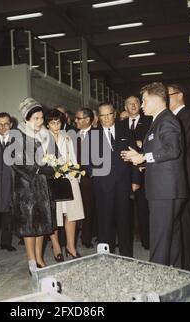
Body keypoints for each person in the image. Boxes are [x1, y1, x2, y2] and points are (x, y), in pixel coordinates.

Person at [121, 82, 188, 268]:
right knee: (171, 238)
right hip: (166, 189)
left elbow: (173, 150)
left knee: (159, 238)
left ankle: (155, 284)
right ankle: (173, 278)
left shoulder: (166, 120)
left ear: (157, 99)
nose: (141, 105)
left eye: (144, 101)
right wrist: (144, 163)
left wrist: (143, 156)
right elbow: (165, 156)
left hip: (164, 191)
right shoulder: (160, 120)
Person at [5, 97, 56, 271]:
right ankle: (31, 261)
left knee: (41, 225)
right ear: (26, 119)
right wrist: (37, 170)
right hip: (26, 188)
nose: (40, 122)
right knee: (29, 226)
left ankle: (40, 258)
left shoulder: (45, 135)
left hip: (42, 186)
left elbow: (52, 156)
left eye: (41, 118)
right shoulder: (18, 135)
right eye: (36, 118)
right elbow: (15, 162)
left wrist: (54, 166)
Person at [93, 103, 140, 257]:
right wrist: (97, 178)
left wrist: (136, 180)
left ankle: (127, 256)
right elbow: (87, 162)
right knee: (105, 223)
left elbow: (134, 157)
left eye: (109, 114)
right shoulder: (93, 135)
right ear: (98, 117)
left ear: (114, 114)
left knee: (125, 222)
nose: (106, 118)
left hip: (123, 184)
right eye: (102, 115)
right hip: (103, 186)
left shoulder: (125, 131)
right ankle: (107, 256)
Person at [168, 84, 190, 269]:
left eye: (168, 95)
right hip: (177, 177)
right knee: (178, 222)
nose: (166, 99)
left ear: (179, 95)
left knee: (186, 222)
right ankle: (179, 262)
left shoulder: (187, 116)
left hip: (186, 177)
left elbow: (180, 147)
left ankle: (186, 266)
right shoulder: (175, 117)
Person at [45, 109, 84, 260]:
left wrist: (75, 177)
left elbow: (73, 159)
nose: (56, 125)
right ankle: (56, 247)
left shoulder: (67, 137)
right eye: (52, 122)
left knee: (71, 214)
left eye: (58, 122)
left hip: (68, 178)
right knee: (54, 215)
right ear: (47, 124)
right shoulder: (42, 138)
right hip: (51, 180)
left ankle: (70, 247)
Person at [122, 96, 152, 250]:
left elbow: (153, 144)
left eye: (136, 103)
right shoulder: (120, 124)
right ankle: (125, 240)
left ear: (140, 105)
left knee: (143, 207)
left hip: (145, 170)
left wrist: (142, 145)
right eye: (129, 104)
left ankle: (146, 240)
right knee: (124, 208)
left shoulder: (149, 121)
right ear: (125, 107)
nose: (133, 106)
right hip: (125, 172)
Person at [0, 112, 16, 252]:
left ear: (11, 124)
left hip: (9, 181)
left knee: (8, 212)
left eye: (6, 124)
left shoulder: (16, 141)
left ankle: (6, 242)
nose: (3, 127)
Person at [75, 108, 96, 248]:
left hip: (90, 179)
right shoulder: (72, 135)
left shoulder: (97, 134)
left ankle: (86, 238)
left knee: (88, 209)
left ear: (87, 119)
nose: (75, 120)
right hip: (73, 177)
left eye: (78, 118)